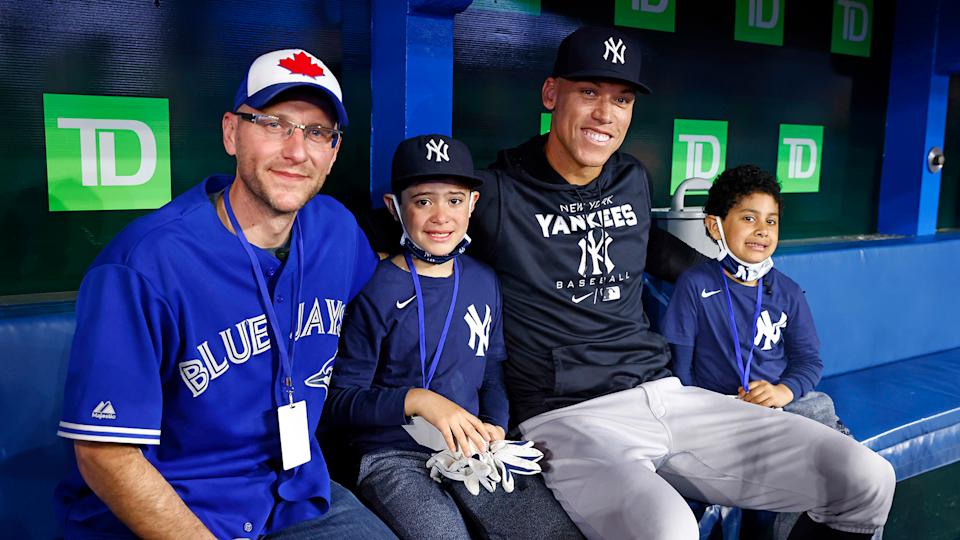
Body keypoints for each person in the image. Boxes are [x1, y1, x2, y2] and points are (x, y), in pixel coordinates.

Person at [465, 26, 895, 539]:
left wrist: (740, 281)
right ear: (551, 93)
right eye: (589, 93)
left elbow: (655, 250)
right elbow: (411, 229)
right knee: (670, 531)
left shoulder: (630, 178)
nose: (606, 114)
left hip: (664, 391)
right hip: (567, 415)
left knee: (866, 479)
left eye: (621, 99)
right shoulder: (494, 194)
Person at [54, 48, 396, 539]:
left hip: (295, 494)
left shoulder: (337, 231)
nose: (297, 151)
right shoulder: (145, 263)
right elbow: (105, 455)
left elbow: (383, 290)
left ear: (333, 152)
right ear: (232, 133)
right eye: (274, 123)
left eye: (317, 132)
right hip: (178, 506)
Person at [324, 134, 583, 540]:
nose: (441, 216)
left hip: (469, 448)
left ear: (472, 205)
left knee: (549, 533)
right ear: (395, 207)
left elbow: (494, 372)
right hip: (391, 453)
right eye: (423, 201)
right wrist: (419, 400)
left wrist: (494, 425)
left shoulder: (483, 279)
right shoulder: (374, 286)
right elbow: (339, 401)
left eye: (455, 200)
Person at [661, 164, 846, 431]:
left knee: (819, 407)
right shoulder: (695, 284)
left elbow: (808, 360)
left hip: (779, 404)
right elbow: (680, 366)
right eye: (749, 218)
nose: (763, 230)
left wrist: (783, 391)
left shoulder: (789, 292)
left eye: (771, 221)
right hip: (718, 406)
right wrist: (696, 411)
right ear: (715, 227)